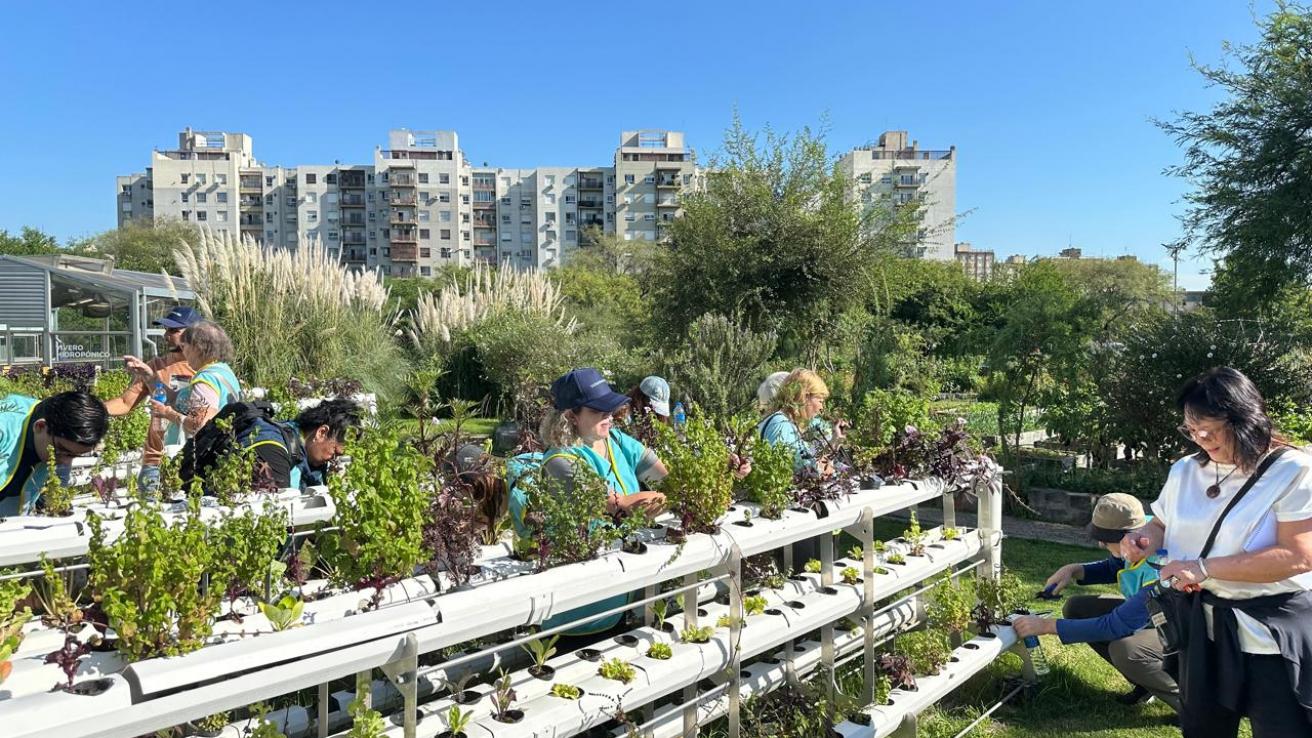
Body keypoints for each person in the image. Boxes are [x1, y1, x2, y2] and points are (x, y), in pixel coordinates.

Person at [1122, 367, 1312, 737]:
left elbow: (1298, 556)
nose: (1200, 438)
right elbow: (1160, 523)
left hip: (1270, 635)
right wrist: (1143, 536)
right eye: (1191, 429)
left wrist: (1204, 568)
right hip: (1203, 630)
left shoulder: (1294, 470)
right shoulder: (1185, 470)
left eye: (1209, 428)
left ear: (1245, 418)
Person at [1012, 493, 1179, 713]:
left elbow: (1115, 626)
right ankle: (1147, 683)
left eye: (1106, 539)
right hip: (1154, 620)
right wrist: (1074, 570)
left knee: (1126, 651)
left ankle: (1193, 705)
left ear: (1126, 537)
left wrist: (1045, 626)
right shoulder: (1141, 535)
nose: (1101, 543)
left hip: (1185, 634)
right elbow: (1114, 567)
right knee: (1077, 608)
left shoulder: (1158, 570)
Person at [111, 305, 202, 489]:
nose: (166, 335)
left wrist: (151, 378)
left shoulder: (204, 370)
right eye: (166, 330)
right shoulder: (155, 366)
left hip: (192, 461)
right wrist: (87, 407)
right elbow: (125, 402)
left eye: (173, 330)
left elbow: (189, 411)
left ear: (194, 334)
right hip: (154, 462)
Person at [0, 390, 109, 515]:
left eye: (74, 455)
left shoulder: (54, 435)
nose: (65, 462)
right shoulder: (4, 430)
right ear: (40, 426)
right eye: (61, 450)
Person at [137, 320, 241, 447]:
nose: (184, 353)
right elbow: (177, 399)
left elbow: (199, 423)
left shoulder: (205, 380)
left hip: (199, 453)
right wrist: (149, 376)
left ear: (198, 347)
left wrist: (167, 413)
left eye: (184, 347)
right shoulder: (224, 371)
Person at [235, 399, 363, 491]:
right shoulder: (273, 452)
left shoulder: (299, 443)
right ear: (321, 433)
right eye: (334, 452)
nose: (333, 460)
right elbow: (274, 510)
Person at [757, 369, 844, 475]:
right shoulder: (780, 425)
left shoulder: (790, 424)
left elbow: (815, 467)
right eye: (820, 401)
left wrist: (835, 441)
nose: (821, 408)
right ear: (804, 397)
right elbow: (779, 475)